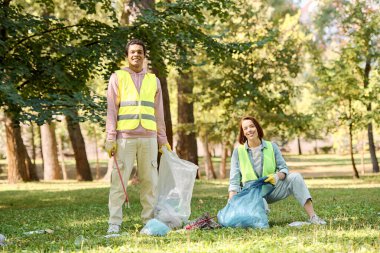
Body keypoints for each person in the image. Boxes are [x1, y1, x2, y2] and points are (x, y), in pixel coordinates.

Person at [104, 39, 171, 234]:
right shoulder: (117, 77)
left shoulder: (154, 80)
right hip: (124, 138)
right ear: (127, 55)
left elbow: (159, 113)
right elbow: (111, 110)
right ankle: (114, 223)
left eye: (139, 52)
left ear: (144, 55)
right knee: (119, 181)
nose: (136, 55)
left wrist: (163, 140)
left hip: (149, 138)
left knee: (150, 182)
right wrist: (110, 137)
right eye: (132, 52)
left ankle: (149, 222)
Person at [228, 116, 326, 225]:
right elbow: (234, 180)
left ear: (257, 128)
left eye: (252, 126)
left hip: (272, 188)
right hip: (252, 193)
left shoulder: (271, 147)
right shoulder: (238, 152)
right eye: (245, 128)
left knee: (296, 177)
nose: (249, 130)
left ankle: (313, 217)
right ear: (243, 132)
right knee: (261, 209)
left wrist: (277, 176)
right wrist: (231, 203)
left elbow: (283, 168)